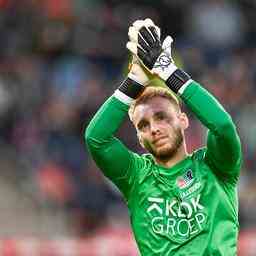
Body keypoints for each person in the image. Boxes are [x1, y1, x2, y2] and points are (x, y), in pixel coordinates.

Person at [85, 18, 242, 255]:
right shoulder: (136, 176)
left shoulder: (216, 167)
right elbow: (96, 138)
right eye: (144, 125)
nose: (154, 128)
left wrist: (170, 72)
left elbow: (222, 125)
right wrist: (136, 79)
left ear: (183, 119)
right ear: (139, 137)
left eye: (162, 117)